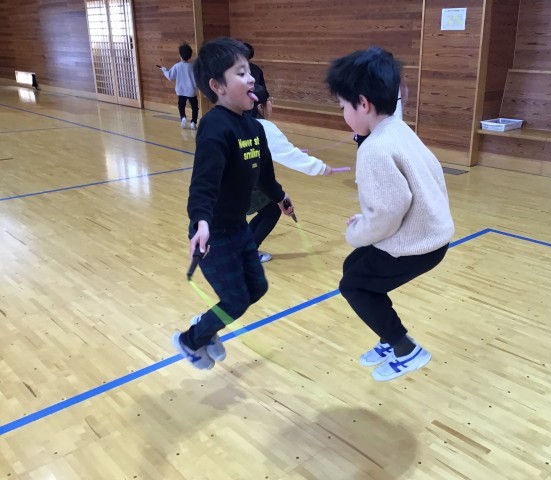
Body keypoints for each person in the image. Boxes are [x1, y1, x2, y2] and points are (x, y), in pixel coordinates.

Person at [326, 47, 455, 381]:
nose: (343, 114)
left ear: (363, 103)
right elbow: (396, 200)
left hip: (417, 245)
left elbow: (387, 213)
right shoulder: (398, 130)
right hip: (431, 235)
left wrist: (357, 232)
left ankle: (406, 348)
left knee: (353, 286)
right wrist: (366, 220)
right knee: (354, 268)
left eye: (343, 106)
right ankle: (388, 336)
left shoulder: (375, 149)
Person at [172, 37, 295, 369]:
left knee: (257, 287)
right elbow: (203, 184)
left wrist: (280, 198)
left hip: (238, 228)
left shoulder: (254, 128)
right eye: (241, 73)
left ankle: (207, 325)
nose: (251, 78)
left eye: (249, 71)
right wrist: (200, 222)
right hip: (213, 235)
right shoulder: (215, 127)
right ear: (218, 86)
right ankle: (190, 340)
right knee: (236, 300)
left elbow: (264, 176)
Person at [248, 84, 344, 262]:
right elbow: (289, 155)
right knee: (272, 208)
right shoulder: (263, 127)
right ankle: (248, 253)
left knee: (268, 207)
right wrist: (321, 167)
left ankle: (242, 249)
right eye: (270, 101)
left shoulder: (237, 121)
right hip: (244, 186)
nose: (271, 104)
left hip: (224, 186)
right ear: (260, 106)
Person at [160, 43, 199, 129]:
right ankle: (193, 122)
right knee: (195, 107)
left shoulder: (177, 66)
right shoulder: (193, 67)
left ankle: (183, 118)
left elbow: (170, 77)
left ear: (180, 55)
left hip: (180, 91)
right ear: (189, 55)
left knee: (181, 106)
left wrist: (164, 71)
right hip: (191, 91)